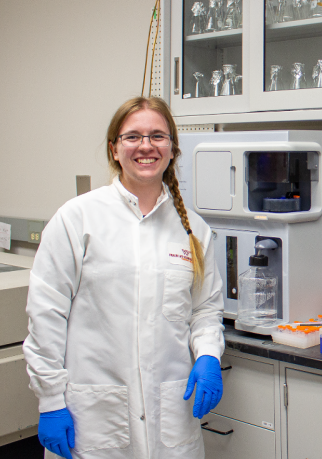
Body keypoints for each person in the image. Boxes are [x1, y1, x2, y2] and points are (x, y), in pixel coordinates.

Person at [24, 96, 225, 459]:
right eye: (132, 136)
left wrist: (208, 354)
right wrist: (50, 400)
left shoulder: (193, 229)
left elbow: (205, 310)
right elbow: (46, 315)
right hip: (95, 418)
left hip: (171, 417)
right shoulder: (78, 218)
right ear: (114, 149)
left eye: (157, 136)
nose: (146, 146)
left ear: (172, 150)